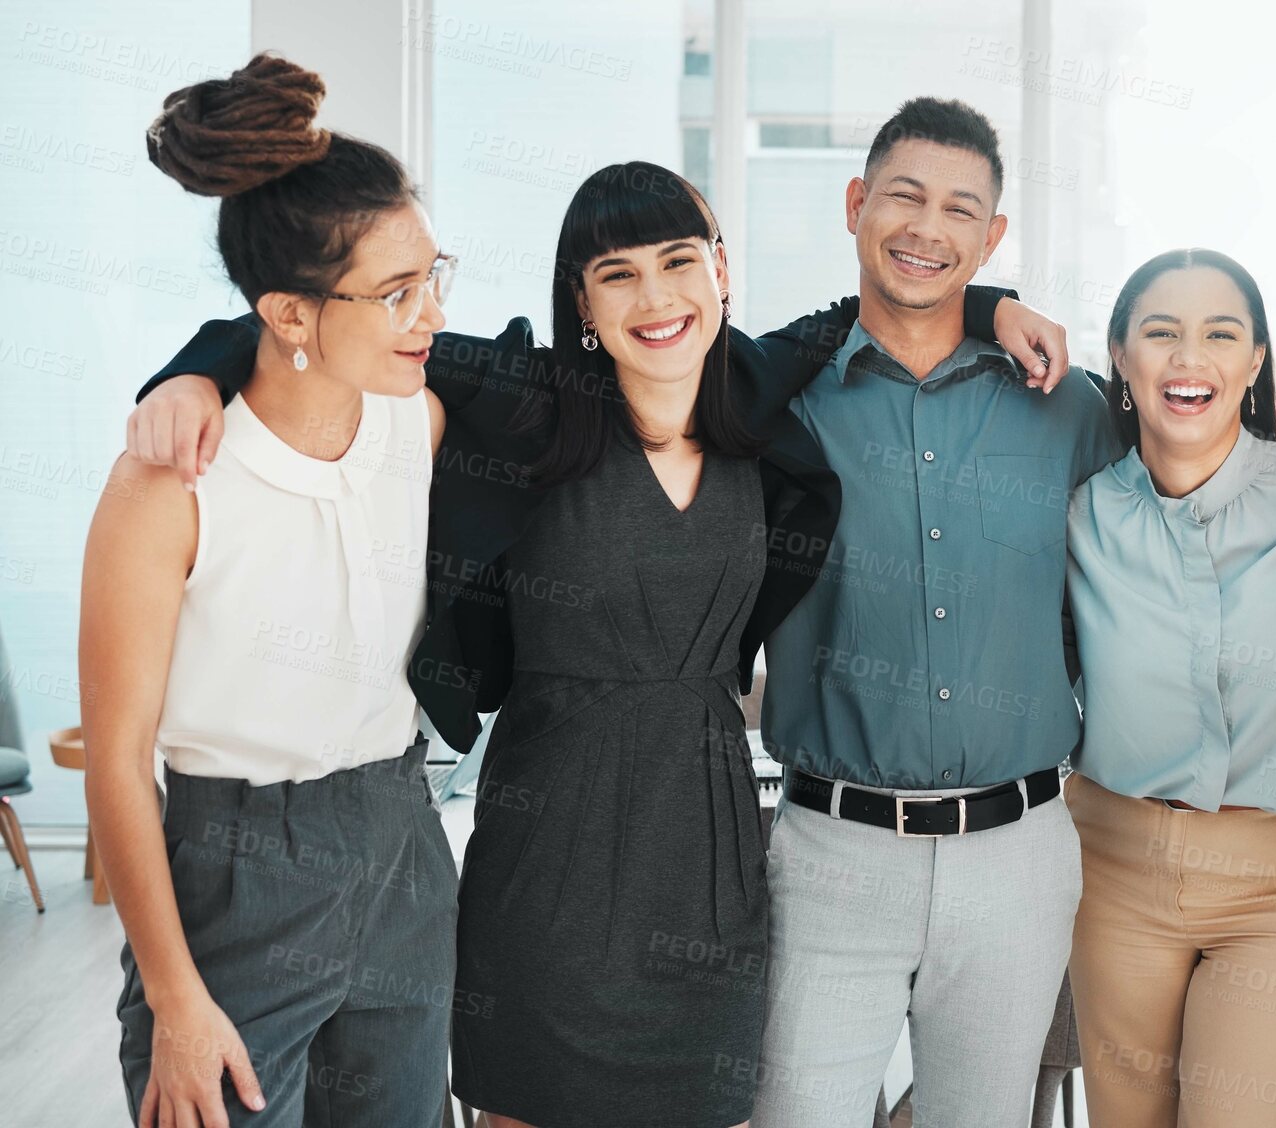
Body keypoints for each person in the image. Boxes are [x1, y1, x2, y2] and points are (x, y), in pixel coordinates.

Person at [127, 161, 1064, 1127]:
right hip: (549, 862)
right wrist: (192, 374)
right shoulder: (524, 398)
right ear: (581, 299)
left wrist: (990, 304)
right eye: (617, 274)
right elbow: (326, 326)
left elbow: (876, 306)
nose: (656, 297)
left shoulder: (754, 388)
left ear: (720, 270)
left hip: (710, 867)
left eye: (677, 262)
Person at [82, 54, 458, 1127]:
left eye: (435, 276)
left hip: (400, 840)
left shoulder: (419, 414)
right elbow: (116, 759)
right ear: (288, 315)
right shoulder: (167, 485)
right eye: (397, 292)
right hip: (234, 868)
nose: (428, 313)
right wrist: (174, 1000)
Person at [751, 97, 1121, 1128]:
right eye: (904, 197)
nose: (928, 228)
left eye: (961, 210)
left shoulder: (1068, 404)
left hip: (1019, 850)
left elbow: (1158, 554)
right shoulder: (778, 399)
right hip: (830, 851)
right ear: (856, 204)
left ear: (990, 237)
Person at [1063, 249, 1276, 1128]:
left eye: (1220, 334)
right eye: (1160, 333)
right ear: (1120, 356)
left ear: (1255, 360)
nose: (1188, 357)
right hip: (1111, 869)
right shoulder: (1080, 509)